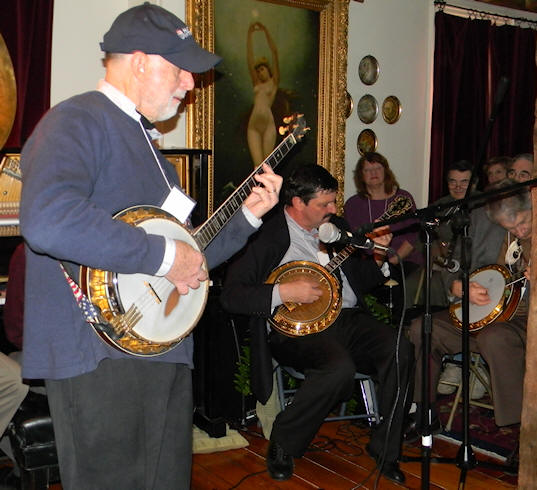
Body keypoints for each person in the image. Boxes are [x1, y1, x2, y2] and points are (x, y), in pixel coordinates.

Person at [19, 4, 282, 490]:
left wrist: (247, 217)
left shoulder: (151, 148)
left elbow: (188, 260)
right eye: (180, 68)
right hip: (96, 352)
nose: (190, 83)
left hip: (159, 349)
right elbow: (47, 219)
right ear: (139, 60)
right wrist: (163, 255)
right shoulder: (76, 121)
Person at [220, 164, 414, 484]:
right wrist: (284, 291)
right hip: (295, 328)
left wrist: (377, 254)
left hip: (348, 318)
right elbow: (232, 296)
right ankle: (283, 442)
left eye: (333, 202)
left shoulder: (335, 227)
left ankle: (385, 449)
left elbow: (362, 281)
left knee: (400, 349)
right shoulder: (265, 234)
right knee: (338, 368)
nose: (333, 210)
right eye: (324, 204)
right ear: (298, 203)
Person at [406, 177, 531, 441]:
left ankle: (522, 429)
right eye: (510, 227)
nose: (519, 231)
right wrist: (459, 287)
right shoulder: (482, 222)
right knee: (423, 327)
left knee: (495, 338)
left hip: (523, 320)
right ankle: (425, 414)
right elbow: (453, 265)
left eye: (522, 222)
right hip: (486, 312)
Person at [344, 152, 423, 312]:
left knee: (396, 288)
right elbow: (356, 241)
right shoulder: (353, 204)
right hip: (371, 261)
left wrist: (393, 261)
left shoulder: (403, 198)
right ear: (361, 175)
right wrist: (377, 264)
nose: (373, 173)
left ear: (386, 171)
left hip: (403, 261)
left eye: (378, 168)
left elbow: (413, 237)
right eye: (368, 170)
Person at [246, 21, 280, 167]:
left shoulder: (274, 82)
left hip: (268, 125)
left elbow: (274, 53)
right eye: (258, 70)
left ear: (268, 69)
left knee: (266, 167)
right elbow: (249, 58)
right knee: (256, 168)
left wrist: (265, 30)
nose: (260, 72)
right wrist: (249, 34)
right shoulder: (257, 84)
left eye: (262, 69)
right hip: (254, 125)